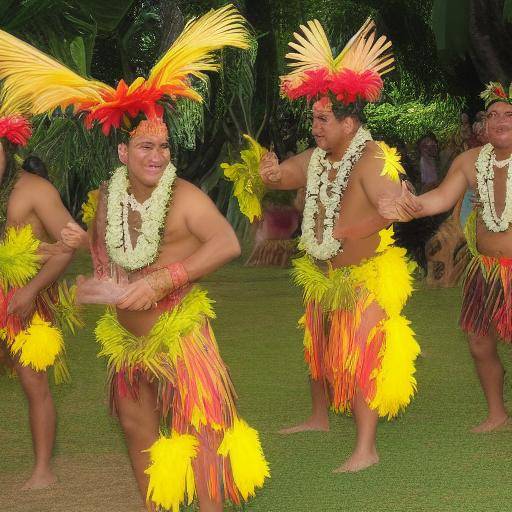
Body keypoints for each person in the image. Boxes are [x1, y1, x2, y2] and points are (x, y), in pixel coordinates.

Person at [0, 6, 269, 511]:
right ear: (123, 152)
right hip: (127, 340)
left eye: (164, 146)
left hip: (180, 333)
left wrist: (167, 277)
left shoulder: (185, 197)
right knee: (135, 428)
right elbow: (105, 250)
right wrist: (101, 277)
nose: (158, 155)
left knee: (202, 431)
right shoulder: (109, 195)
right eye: (146, 145)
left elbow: (227, 244)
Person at [260, 18, 420, 472]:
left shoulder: (373, 160)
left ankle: (366, 448)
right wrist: (268, 173)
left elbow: (401, 207)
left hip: (366, 274)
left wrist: (359, 228)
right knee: (321, 345)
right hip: (323, 272)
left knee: (362, 352)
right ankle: (319, 417)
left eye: (322, 118)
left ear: (350, 122)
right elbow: (286, 174)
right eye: (313, 117)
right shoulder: (318, 158)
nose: (314, 125)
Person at [378, 81, 512, 433]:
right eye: (493, 115)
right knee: (480, 342)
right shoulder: (470, 161)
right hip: (485, 271)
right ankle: (497, 414)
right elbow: (439, 198)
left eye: (509, 114)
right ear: (483, 125)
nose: (500, 120)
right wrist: (410, 204)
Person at [0, 114, 77, 490]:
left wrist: (31, 291)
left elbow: (68, 245)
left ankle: (43, 470)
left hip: (25, 300)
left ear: (7, 149)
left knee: (34, 383)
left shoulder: (34, 190)